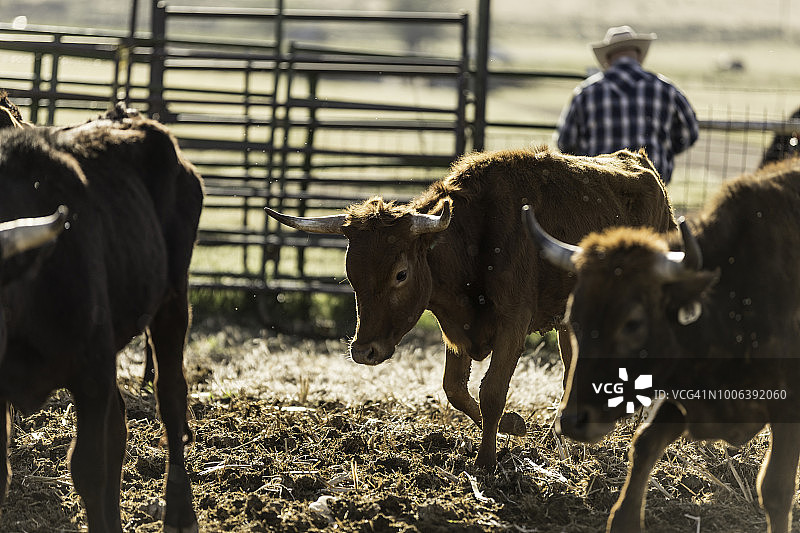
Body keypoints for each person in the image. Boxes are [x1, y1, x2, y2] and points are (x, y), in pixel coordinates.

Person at [555, 25, 699, 184]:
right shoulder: (666, 89)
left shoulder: (585, 93)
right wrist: (665, 149)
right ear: (639, 55)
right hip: (651, 187)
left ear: (607, 59)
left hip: (600, 187)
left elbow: (565, 143)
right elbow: (690, 133)